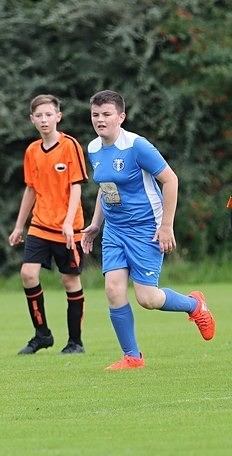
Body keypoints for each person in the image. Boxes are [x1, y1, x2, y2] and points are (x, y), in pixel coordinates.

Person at [80, 90, 215, 370]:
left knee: (147, 299)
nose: (100, 120)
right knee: (113, 289)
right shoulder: (93, 149)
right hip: (115, 230)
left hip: (145, 229)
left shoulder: (137, 146)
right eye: (95, 114)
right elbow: (106, 189)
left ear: (121, 117)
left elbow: (171, 180)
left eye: (107, 114)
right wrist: (95, 224)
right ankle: (132, 357)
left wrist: (166, 226)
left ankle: (195, 306)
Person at [8, 94, 88, 355]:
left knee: (69, 281)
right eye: (38, 116)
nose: (44, 120)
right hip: (40, 225)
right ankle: (42, 335)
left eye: (48, 115)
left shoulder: (70, 146)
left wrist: (68, 222)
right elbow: (31, 189)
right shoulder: (32, 151)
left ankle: (75, 342)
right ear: (32, 120)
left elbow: (76, 187)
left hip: (69, 227)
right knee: (28, 274)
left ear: (58, 117)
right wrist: (19, 226)